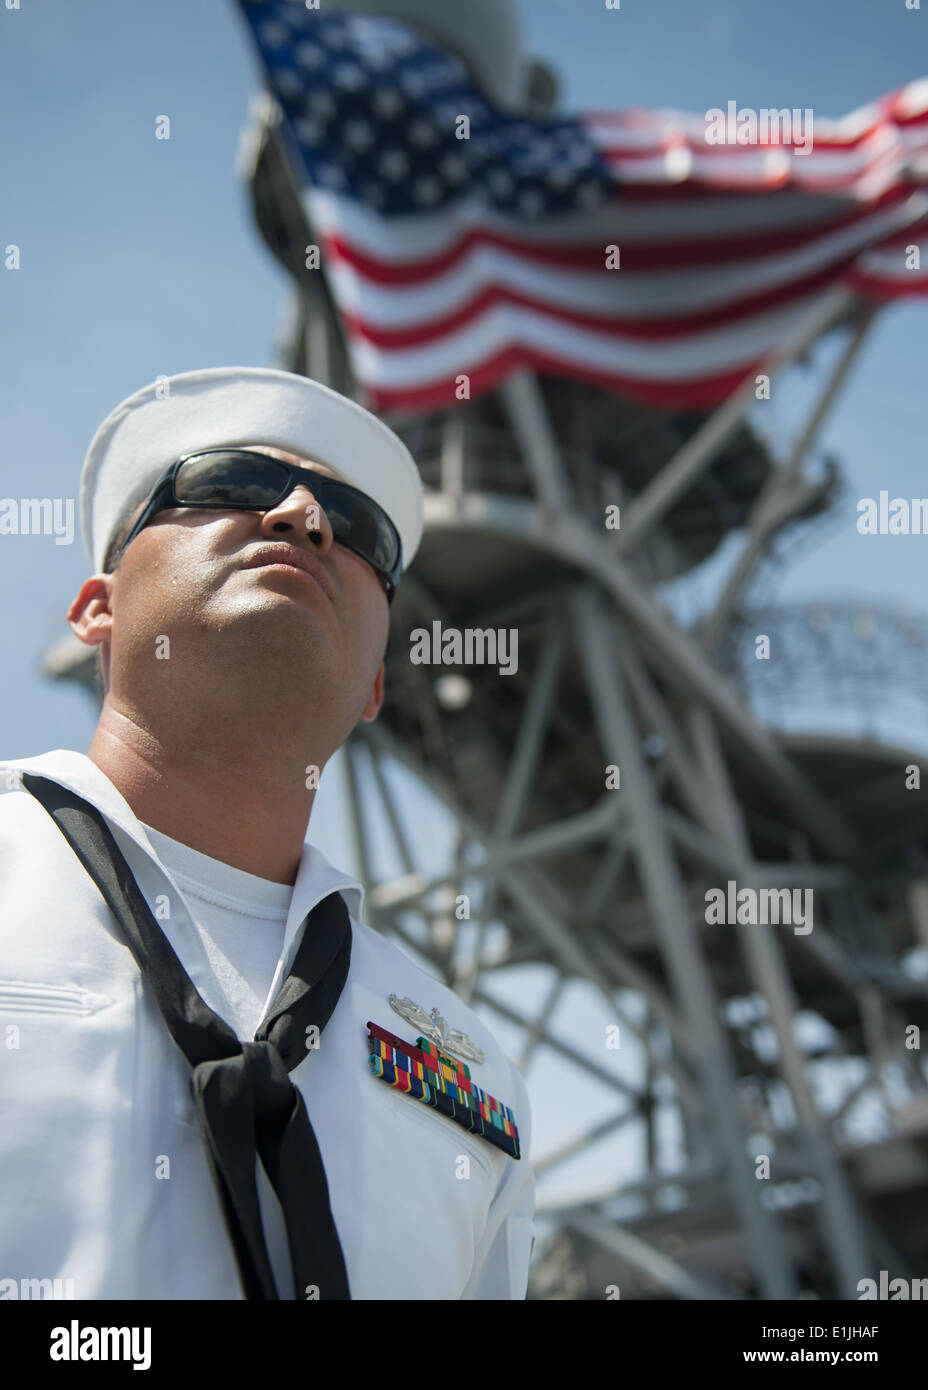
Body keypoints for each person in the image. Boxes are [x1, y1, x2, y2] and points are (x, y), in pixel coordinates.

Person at [0, 366, 535, 1301]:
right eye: (230, 483)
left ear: (375, 687)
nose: (300, 515)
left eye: (354, 526)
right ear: (98, 608)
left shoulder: (475, 1070)